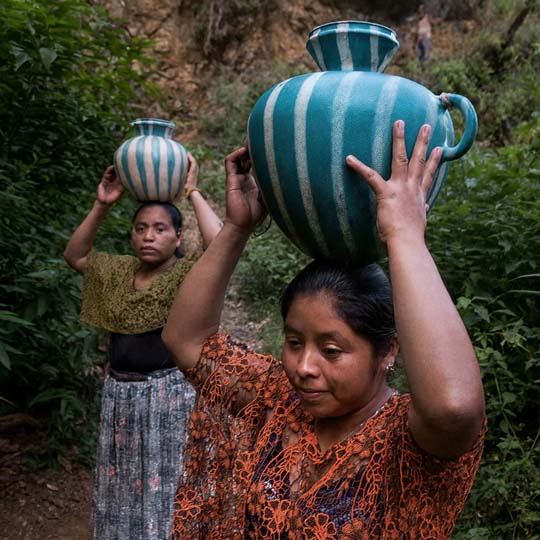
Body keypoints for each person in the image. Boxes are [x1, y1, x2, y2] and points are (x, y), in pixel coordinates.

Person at [162, 122, 486, 539]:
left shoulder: (406, 442)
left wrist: (405, 235)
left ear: (387, 351)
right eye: (294, 342)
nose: (303, 367)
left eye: (331, 351)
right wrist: (238, 227)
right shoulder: (277, 400)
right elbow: (186, 341)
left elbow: (455, 408)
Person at [64, 154, 222, 540]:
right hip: (120, 397)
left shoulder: (187, 275)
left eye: (160, 228)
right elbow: (76, 255)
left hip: (167, 399)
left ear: (177, 236)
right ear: (132, 235)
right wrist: (102, 204)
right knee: (122, 483)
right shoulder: (118, 273)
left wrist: (192, 191)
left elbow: (220, 245)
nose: (149, 236)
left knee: (164, 483)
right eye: (141, 228)